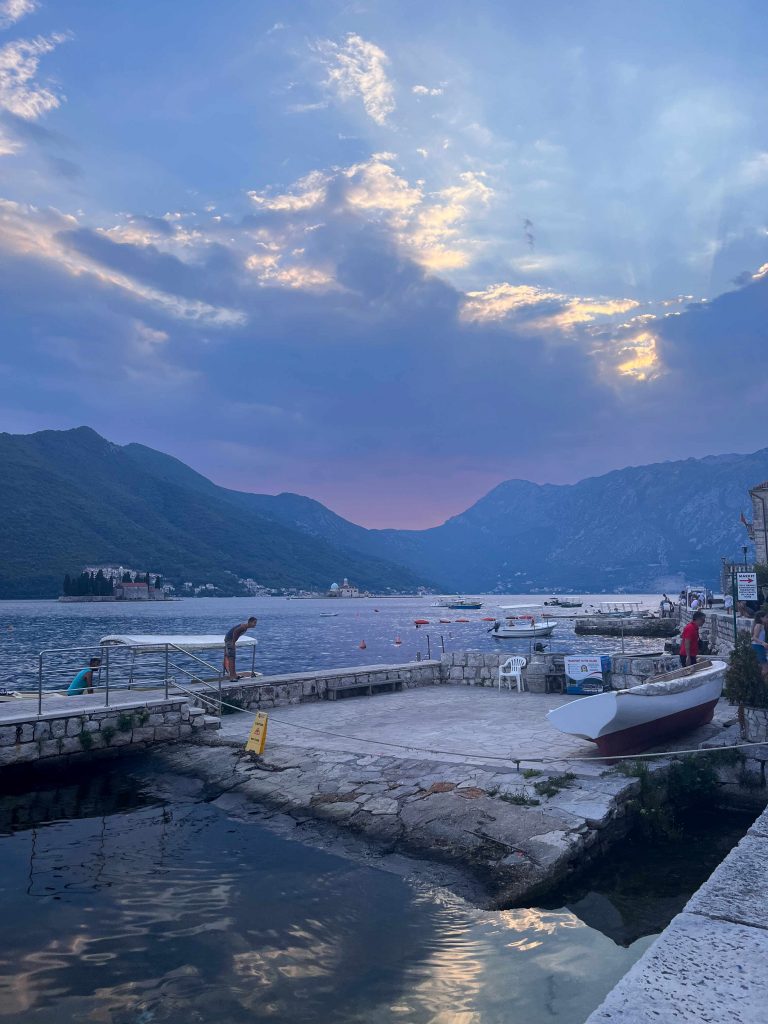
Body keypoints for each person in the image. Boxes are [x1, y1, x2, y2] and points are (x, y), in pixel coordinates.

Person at [751, 613, 768, 681]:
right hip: (757, 647)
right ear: (761, 618)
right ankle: (758, 682)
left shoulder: (762, 626)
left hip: (760, 647)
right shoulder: (758, 625)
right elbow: (754, 637)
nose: (767, 619)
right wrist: (763, 643)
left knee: (762, 667)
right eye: (766, 617)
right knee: (765, 668)